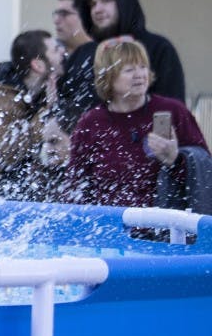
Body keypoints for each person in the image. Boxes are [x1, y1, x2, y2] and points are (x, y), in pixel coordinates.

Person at [64, 37, 208, 208]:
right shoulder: (91, 122)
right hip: (108, 228)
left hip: (163, 227)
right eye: (129, 69)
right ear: (108, 76)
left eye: (143, 67)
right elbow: (75, 185)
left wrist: (175, 159)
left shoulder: (173, 111)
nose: (139, 75)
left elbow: (205, 170)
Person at [0, 30, 67, 201]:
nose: (63, 53)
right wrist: (45, 110)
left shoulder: (36, 96)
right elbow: (6, 155)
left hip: (20, 197)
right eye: (56, 50)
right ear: (38, 65)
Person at [77, 0, 186, 102]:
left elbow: (171, 109)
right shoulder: (84, 52)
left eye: (106, 0)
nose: (97, 9)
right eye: (92, 4)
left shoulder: (158, 48)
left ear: (125, 2)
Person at [53, 0, 99, 132]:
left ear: (85, 16)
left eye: (64, 14)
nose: (56, 20)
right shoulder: (54, 55)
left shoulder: (98, 56)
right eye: (55, 14)